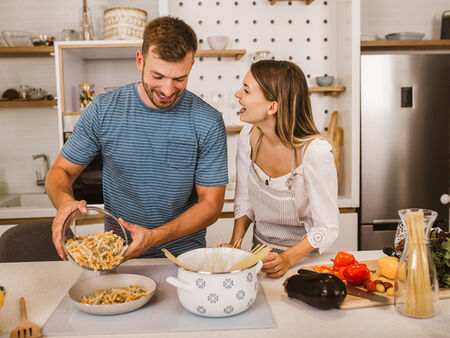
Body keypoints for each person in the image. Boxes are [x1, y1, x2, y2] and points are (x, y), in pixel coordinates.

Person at [46, 16, 228, 260]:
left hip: (185, 261)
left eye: (179, 79)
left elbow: (211, 206)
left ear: (191, 66)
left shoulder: (207, 121)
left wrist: (154, 236)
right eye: (158, 76)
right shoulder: (103, 110)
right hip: (117, 258)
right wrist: (64, 202)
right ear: (140, 61)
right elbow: (60, 172)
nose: (167, 90)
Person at [228, 60, 339, 278]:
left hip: (302, 262)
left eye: (247, 90)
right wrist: (235, 244)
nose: (237, 94)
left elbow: (327, 227)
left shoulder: (315, 152)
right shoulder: (248, 137)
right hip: (258, 256)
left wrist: (287, 258)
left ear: (272, 107)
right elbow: (245, 201)